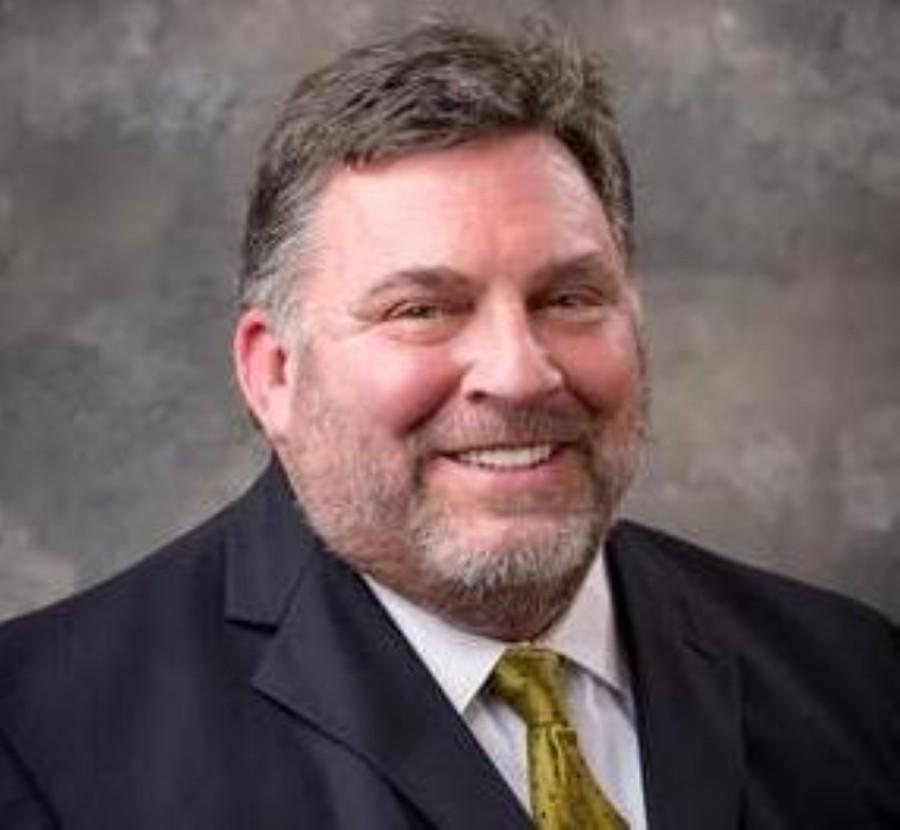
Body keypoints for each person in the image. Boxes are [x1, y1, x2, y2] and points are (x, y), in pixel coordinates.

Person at [0, 22, 897, 830]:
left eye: (569, 297)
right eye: (422, 310)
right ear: (274, 372)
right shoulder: (41, 743)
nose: (519, 373)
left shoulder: (854, 677)